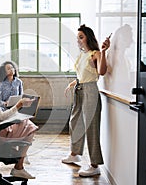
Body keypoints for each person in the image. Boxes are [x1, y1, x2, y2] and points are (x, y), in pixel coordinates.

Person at [62, 24, 110, 177]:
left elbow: (101, 72)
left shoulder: (95, 54)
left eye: (81, 37)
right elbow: (81, 75)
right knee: (75, 122)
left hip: (90, 90)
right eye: (77, 38)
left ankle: (94, 165)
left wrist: (103, 51)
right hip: (79, 89)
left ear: (88, 37)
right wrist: (73, 84)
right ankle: (75, 153)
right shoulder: (82, 55)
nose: (79, 41)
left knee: (91, 127)